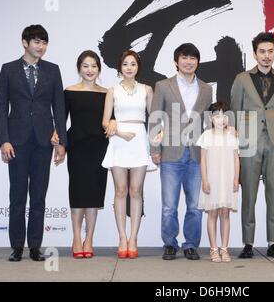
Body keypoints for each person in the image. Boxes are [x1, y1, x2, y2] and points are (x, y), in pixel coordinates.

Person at [0, 24, 67, 262]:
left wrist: (61, 142)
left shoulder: (53, 70)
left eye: (44, 42)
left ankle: (35, 246)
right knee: (17, 195)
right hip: (16, 141)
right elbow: (0, 106)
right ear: (25, 42)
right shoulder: (8, 70)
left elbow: (59, 107)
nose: (41, 46)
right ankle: (16, 246)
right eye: (37, 42)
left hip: (43, 140)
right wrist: (4, 140)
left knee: (38, 195)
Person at [149, 43, 213, 261]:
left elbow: (208, 122)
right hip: (170, 153)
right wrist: (154, 149)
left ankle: (191, 245)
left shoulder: (206, 88)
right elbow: (156, 118)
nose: (188, 62)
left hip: (196, 154)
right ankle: (169, 243)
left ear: (197, 62)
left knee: (195, 206)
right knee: (169, 205)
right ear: (176, 61)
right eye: (184, 58)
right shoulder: (163, 85)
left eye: (192, 58)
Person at [231, 32, 274, 259]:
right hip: (248, 140)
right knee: (249, 193)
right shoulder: (242, 79)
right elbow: (236, 109)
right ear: (255, 53)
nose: (267, 56)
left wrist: (273, 128)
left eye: (271, 51)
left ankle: (273, 242)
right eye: (262, 52)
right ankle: (248, 243)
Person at [53, 50, 115, 259]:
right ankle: (76, 238)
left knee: (94, 194)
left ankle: (89, 240)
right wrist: (60, 144)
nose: (90, 70)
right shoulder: (69, 91)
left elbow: (112, 119)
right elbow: (61, 121)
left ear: (99, 69)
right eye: (86, 66)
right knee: (79, 193)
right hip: (77, 146)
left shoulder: (108, 93)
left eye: (94, 66)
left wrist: (114, 123)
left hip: (99, 147)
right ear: (79, 68)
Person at [101, 50, 155, 259]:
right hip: (118, 141)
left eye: (133, 64)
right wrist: (118, 130)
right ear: (120, 67)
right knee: (120, 190)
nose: (129, 67)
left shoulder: (147, 90)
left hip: (139, 140)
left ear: (138, 67)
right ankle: (122, 238)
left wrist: (157, 135)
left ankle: (134, 238)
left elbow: (155, 118)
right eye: (125, 64)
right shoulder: (112, 91)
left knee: (136, 190)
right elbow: (105, 121)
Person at [197, 102, 240, 263]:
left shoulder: (232, 136)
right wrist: (205, 180)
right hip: (212, 180)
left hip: (228, 180)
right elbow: (202, 160)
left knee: (225, 213)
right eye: (217, 116)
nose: (221, 119)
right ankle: (213, 249)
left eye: (224, 115)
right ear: (211, 118)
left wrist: (236, 179)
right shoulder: (206, 136)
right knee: (212, 213)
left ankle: (224, 249)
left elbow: (236, 159)